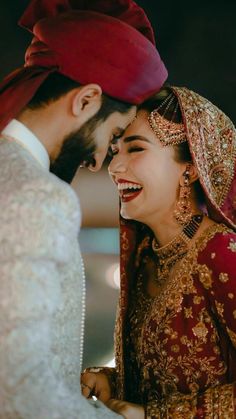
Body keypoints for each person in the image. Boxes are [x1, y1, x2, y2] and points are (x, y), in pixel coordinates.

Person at [0, 0, 168, 417]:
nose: (98, 163)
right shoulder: (37, 196)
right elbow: (19, 390)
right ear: (86, 100)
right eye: (113, 135)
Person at [81, 86, 236, 418]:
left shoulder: (221, 253)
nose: (115, 167)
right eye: (114, 151)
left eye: (135, 149)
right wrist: (114, 381)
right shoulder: (145, 255)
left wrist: (154, 415)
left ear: (190, 168)